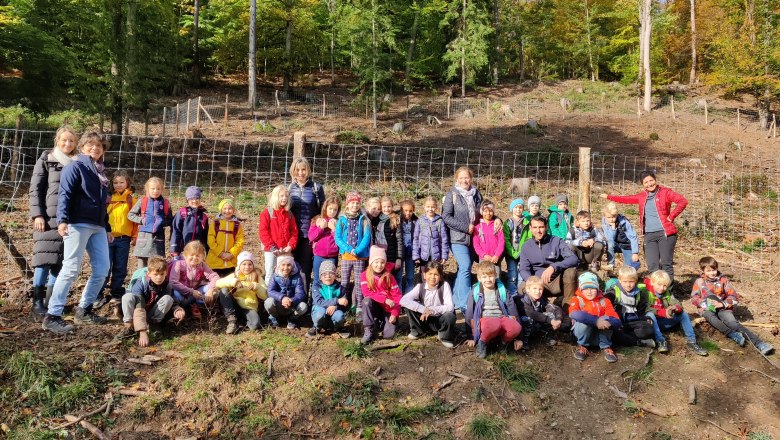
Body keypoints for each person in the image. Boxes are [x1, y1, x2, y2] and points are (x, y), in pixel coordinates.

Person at [42, 132, 113, 334]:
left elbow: (101, 204)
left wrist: (106, 227)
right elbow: (65, 194)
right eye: (90, 144)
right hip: (78, 223)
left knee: (102, 269)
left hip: (98, 226)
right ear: (82, 147)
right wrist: (62, 220)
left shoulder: (101, 172)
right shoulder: (75, 166)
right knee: (71, 268)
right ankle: (53, 315)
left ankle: (84, 309)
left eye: (99, 146)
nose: (95, 148)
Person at [28, 126, 78, 321]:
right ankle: (37, 302)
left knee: (61, 262)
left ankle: (52, 301)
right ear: (57, 140)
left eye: (71, 141)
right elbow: (35, 189)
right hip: (48, 218)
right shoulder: (47, 159)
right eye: (64, 140)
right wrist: (37, 215)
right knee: (43, 259)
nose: (67, 144)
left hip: (70, 220)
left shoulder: (78, 163)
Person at [601, 170, 688, 282]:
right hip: (649, 235)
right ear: (643, 184)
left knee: (666, 264)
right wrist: (609, 197)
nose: (649, 184)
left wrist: (671, 217)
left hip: (665, 234)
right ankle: (655, 293)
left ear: (655, 180)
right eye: (646, 182)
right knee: (652, 266)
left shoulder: (665, 192)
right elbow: (626, 199)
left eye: (651, 180)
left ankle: (669, 293)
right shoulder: (642, 196)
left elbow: (682, 201)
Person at [692, 257, 774, 355]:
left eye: (714, 270)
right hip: (706, 309)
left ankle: (760, 344)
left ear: (717, 268)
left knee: (733, 323)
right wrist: (705, 304)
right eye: (708, 271)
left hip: (723, 307)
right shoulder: (699, 282)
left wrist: (722, 304)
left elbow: (734, 296)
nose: (712, 273)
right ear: (703, 271)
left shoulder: (723, 280)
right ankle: (732, 334)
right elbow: (694, 298)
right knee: (710, 317)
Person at [115, 257, 185, 347]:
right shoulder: (140, 284)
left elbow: (172, 301)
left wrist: (177, 309)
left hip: (150, 314)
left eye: (162, 274)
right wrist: (142, 331)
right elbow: (138, 307)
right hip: (136, 312)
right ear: (149, 274)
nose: (159, 277)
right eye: (155, 274)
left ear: (166, 274)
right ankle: (129, 326)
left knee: (168, 298)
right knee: (127, 297)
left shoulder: (167, 286)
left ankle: (154, 325)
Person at [442, 166, 483, 313]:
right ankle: (467, 304)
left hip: (474, 238)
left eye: (467, 177)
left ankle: (454, 301)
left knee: (463, 269)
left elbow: (484, 210)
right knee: (465, 266)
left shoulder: (476, 193)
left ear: (471, 178)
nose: (464, 180)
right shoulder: (452, 195)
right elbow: (446, 217)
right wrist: (466, 227)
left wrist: (496, 219)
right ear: (456, 180)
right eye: (461, 178)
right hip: (458, 238)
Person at [518, 216, 578, 311]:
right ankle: (534, 313)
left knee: (571, 272)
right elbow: (523, 269)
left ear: (546, 227)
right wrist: (531, 280)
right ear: (530, 228)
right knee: (522, 288)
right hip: (539, 282)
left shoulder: (556, 241)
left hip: (557, 281)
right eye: (535, 227)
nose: (538, 231)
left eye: (541, 227)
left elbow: (573, 259)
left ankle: (568, 308)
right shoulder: (526, 246)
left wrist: (554, 266)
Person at [465, 261, 523, 358]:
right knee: (494, 324)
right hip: (485, 320)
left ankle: (503, 343)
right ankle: (482, 343)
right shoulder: (475, 292)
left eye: (491, 276)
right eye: (484, 277)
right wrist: (470, 337)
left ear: (496, 276)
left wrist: (518, 338)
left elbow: (513, 309)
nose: (488, 279)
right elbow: (469, 313)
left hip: (501, 318)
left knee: (516, 327)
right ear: (479, 278)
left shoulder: (502, 290)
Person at [98, 170, 138, 312]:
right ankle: (99, 293)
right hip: (106, 237)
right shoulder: (107, 197)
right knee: (105, 266)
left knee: (120, 266)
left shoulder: (131, 200)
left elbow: (135, 221)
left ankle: (116, 292)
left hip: (124, 238)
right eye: (115, 182)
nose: (118, 185)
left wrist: (134, 236)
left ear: (127, 183)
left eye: (122, 182)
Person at [644, 270, 707, 356]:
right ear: (652, 283)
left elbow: (678, 304)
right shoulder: (646, 292)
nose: (662, 288)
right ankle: (661, 341)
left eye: (665, 286)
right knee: (649, 315)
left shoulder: (667, 293)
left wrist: (674, 308)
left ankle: (692, 341)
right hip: (652, 324)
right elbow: (646, 309)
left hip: (664, 321)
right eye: (659, 285)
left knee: (683, 314)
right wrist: (663, 312)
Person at [288, 157, 326, 287]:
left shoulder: (316, 188)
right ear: (293, 171)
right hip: (291, 235)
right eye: (297, 170)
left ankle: (303, 300)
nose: (300, 173)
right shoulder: (288, 189)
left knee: (305, 268)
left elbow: (323, 211)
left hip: (308, 235)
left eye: (303, 169)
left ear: (308, 170)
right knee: (289, 267)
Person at [400, 261, 456, 348]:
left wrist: (431, 310)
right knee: (410, 307)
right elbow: (403, 300)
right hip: (424, 319)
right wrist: (423, 309)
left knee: (449, 315)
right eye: (430, 274)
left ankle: (444, 336)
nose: (432, 277)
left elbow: (450, 306)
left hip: (439, 320)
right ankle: (418, 331)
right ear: (424, 275)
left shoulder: (444, 286)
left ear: (440, 276)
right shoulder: (420, 287)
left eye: (436, 274)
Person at [569, 272, 621, 363]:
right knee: (584, 319)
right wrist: (596, 321)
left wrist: (609, 322)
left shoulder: (605, 301)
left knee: (606, 319)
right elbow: (574, 314)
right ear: (581, 290)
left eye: (592, 288)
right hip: (581, 334)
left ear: (597, 289)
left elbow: (616, 319)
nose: (589, 292)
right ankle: (582, 346)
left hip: (599, 336)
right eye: (586, 289)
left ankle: (606, 347)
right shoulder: (577, 299)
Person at [334, 191, 372, 314]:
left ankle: (359, 306)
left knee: (359, 282)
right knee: (344, 281)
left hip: (359, 257)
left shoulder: (363, 219)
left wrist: (358, 250)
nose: (355, 205)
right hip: (346, 256)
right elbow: (338, 238)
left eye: (357, 203)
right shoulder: (342, 219)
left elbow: (367, 237)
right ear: (347, 205)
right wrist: (349, 249)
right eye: (352, 203)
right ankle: (343, 305)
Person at [604, 266, 656, 348]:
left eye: (631, 282)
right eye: (625, 282)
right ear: (620, 280)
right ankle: (638, 342)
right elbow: (607, 298)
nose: (628, 285)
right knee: (613, 334)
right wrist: (606, 298)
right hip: (620, 323)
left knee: (649, 330)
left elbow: (640, 311)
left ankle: (626, 339)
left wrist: (646, 318)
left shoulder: (638, 293)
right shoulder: (615, 290)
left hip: (633, 323)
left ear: (636, 281)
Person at [359, 246, 402, 344]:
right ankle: (368, 329)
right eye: (376, 262)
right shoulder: (364, 275)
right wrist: (384, 299)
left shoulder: (389, 276)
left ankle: (383, 322)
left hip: (388, 309)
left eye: (382, 262)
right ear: (371, 263)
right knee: (366, 301)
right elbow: (367, 293)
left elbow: (397, 296)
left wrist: (395, 313)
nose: (379, 265)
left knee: (388, 335)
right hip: (375, 306)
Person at [216, 251, 266, 334]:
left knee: (255, 325)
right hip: (235, 305)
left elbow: (265, 295)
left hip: (249, 307)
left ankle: (241, 323)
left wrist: (257, 287)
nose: (247, 267)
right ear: (239, 265)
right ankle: (232, 320)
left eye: (250, 264)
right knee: (224, 290)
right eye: (244, 264)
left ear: (253, 265)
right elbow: (217, 283)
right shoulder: (235, 275)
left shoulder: (257, 277)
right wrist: (233, 282)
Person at [169, 241, 219, 320]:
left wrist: (211, 289)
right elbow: (173, 282)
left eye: (198, 255)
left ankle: (195, 305)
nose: (195, 258)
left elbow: (215, 276)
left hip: (195, 292)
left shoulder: (202, 265)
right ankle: (184, 307)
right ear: (185, 255)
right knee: (176, 294)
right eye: (191, 255)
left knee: (214, 291)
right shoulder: (178, 264)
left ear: (202, 256)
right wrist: (191, 291)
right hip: (182, 293)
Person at [259, 185, 298, 286]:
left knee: (285, 273)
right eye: (281, 196)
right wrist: (272, 247)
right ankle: (269, 298)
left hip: (284, 250)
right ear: (275, 197)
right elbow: (263, 232)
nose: (284, 198)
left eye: (286, 196)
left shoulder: (289, 214)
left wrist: (290, 245)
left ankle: (283, 295)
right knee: (270, 273)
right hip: (271, 250)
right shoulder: (267, 212)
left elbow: (294, 232)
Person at [308, 260, 350, 338]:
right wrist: (336, 301)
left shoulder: (340, 288)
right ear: (320, 277)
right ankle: (317, 327)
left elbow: (345, 305)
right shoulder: (316, 287)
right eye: (324, 274)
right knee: (321, 311)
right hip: (320, 310)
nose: (328, 276)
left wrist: (336, 306)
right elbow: (319, 302)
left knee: (339, 315)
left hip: (333, 314)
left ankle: (337, 327)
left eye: (331, 273)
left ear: (335, 275)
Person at [518, 276, 563, 349]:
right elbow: (531, 313)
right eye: (534, 288)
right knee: (528, 319)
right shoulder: (522, 300)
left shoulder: (541, 300)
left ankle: (545, 335)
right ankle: (523, 340)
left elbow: (556, 308)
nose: (538, 291)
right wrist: (551, 321)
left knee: (550, 314)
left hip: (534, 325)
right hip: (521, 326)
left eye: (540, 289)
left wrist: (558, 320)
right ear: (527, 289)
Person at [264, 254, 308, 329]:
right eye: (283, 265)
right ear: (278, 265)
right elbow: (270, 291)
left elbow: (301, 293)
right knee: (269, 302)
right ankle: (274, 317)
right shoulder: (275, 276)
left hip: (291, 306)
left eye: (288, 265)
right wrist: (282, 298)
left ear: (292, 265)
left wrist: (291, 300)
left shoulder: (297, 277)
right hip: (278, 305)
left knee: (303, 306)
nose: (285, 268)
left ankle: (292, 319)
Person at [206, 199, 244, 276]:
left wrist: (232, 254)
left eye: (230, 208)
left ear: (233, 210)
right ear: (221, 210)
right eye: (225, 208)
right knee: (215, 284)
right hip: (215, 261)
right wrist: (220, 253)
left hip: (231, 262)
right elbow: (210, 240)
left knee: (230, 284)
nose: (227, 211)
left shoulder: (237, 225)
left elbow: (240, 241)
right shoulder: (215, 224)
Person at [308, 196, 340, 287]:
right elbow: (311, 237)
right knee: (317, 278)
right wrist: (321, 228)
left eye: (335, 210)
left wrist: (333, 229)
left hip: (332, 256)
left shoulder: (338, 223)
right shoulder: (317, 220)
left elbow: (340, 241)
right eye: (330, 209)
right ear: (325, 207)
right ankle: (316, 300)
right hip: (319, 255)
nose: (332, 212)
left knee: (330, 279)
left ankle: (328, 299)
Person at [171, 186, 209, 258]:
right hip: (182, 250)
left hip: (197, 252)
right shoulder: (182, 213)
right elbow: (176, 232)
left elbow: (205, 236)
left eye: (197, 198)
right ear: (187, 200)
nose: (194, 201)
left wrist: (206, 250)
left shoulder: (204, 217)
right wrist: (174, 249)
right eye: (191, 198)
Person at [601, 202, 640, 271]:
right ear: (604, 216)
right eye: (608, 217)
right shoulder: (604, 222)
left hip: (626, 245)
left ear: (617, 215)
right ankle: (611, 265)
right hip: (615, 244)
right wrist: (613, 228)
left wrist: (635, 253)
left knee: (630, 268)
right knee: (609, 243)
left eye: (613, 217)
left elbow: (633, 237)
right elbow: (610, 239)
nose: (611, 219)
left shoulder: (624, 222)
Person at [503, 198, 531, 295]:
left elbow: (529, 238)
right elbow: (506, 239)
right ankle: (512, 294)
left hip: (523, 254)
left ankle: (521, 294)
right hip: (511, 254)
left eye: (520, 207)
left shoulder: (526, 223)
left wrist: (523, 251)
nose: (518, 210)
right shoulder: (508, 223)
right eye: (516, 207)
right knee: (512, 274)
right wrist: (512, 252)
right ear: (512, 209)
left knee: (521, 274)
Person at [412, 196, 449, 268]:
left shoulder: (440, 221)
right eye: (428, 207)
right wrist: (416, 256)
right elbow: (415, 239)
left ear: (436, 207)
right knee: (424, 275)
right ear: (424, 207)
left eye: (432, 207)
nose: (430, 209)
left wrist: (444, 256)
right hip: (423, 256)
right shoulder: (420, 221)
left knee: (435, 274)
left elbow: (444, 240)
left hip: (436, 256)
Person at [375, 196, 404, 288]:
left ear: (392, 206)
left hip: (391, 255)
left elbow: (399, 240)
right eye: (384, 207)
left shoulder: (395, 219)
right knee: (381, 278)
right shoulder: (376, 219)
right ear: (381, 207)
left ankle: (396, 299)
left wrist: (399, 258)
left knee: (393, 280)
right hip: (379, 254)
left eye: (389, 206)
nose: (386, 209)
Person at [472, 199, 504, 275]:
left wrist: (497, 255)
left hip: (495, 258)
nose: (488, 213)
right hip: (483, 258)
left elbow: (501, 241)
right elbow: (476, 244)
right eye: (485, 211)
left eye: (490, 211)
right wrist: (484, 255)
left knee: (496, 278)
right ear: (481, 212)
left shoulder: (497, 225)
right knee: (484, 277)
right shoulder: (477, 227)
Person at [399, 199, 418, 293]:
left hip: (411, 251)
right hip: (400, 251)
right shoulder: (398, 221)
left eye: (410, 211)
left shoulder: (416, 221)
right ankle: (398, 296)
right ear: (401, 210)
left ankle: (409, 294)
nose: (408, 213)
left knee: (410, 275)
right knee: (398, 275)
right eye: (405, 210)